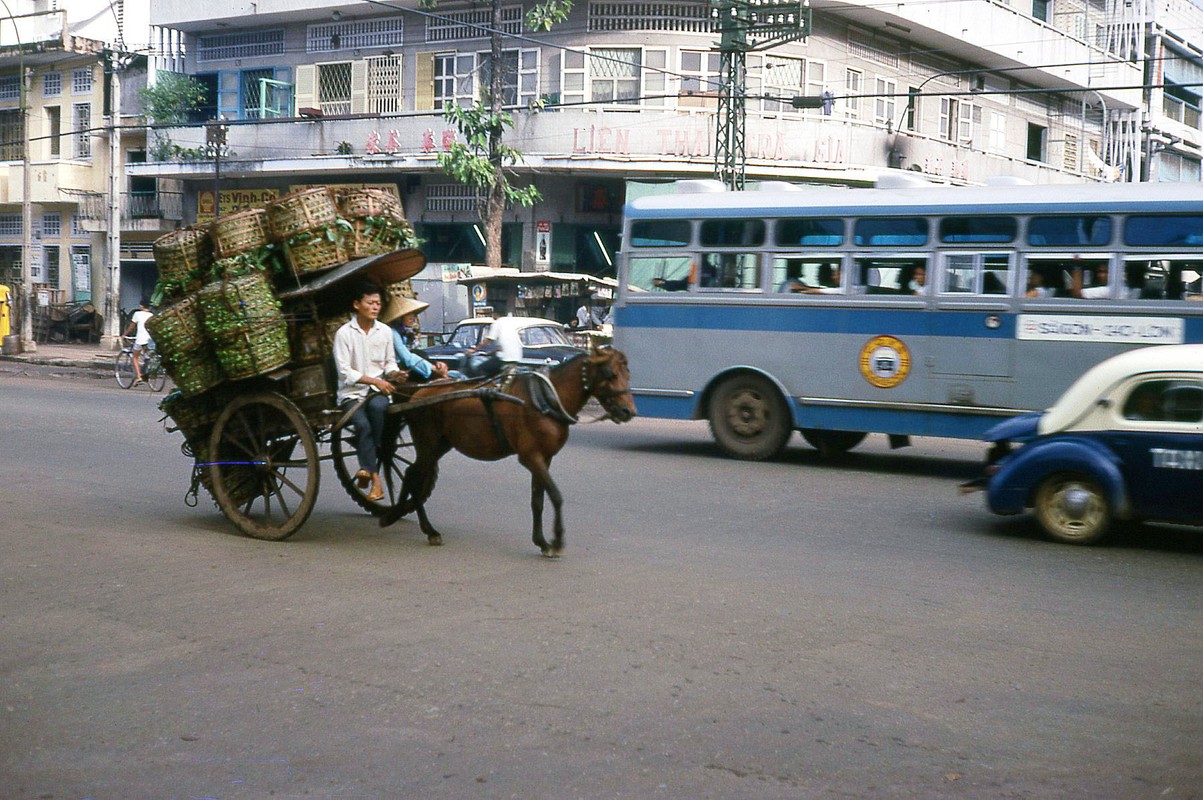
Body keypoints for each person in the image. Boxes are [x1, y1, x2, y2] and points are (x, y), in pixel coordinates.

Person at [332, 283, 402, 503]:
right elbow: (344, 372)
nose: (375, 307)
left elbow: (390, 363)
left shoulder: (385, 332)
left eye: (378, 304)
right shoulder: (344, 334)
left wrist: (396, 374)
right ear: (357, 305)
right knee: (362, 424)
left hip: (376, 393)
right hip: (351, 394)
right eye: (370, 303)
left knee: (379, 408)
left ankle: (366, 461)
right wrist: (374, 380)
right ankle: (374, 477)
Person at [379, 293, 452, 382]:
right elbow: (407, 357)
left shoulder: (408, 332)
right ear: (400, 318)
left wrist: (436, 364)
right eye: (409, 314)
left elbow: (418, 354)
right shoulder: (393, 332)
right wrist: (432, 368)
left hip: (412, 365)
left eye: (414, 314)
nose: (413, 318)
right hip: (398, 370)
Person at [464, 313, 525, 378]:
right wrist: (490, 354)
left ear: (495, 314)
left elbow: (489, 339)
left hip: (503, 359)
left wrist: (474, 350)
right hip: (516, 358)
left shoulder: (497, 323)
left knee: (478, 369)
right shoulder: (512, 323)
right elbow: (503, 345)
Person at [123, 298, 155, 385]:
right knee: (146, 356)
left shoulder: (137, 314)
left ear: (141, 306)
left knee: (135, 357)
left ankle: (139, 377)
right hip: (150, 339)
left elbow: (132, 326)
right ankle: (146, 372)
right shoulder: (151, 315)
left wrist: (124, 334)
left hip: (141, 339)